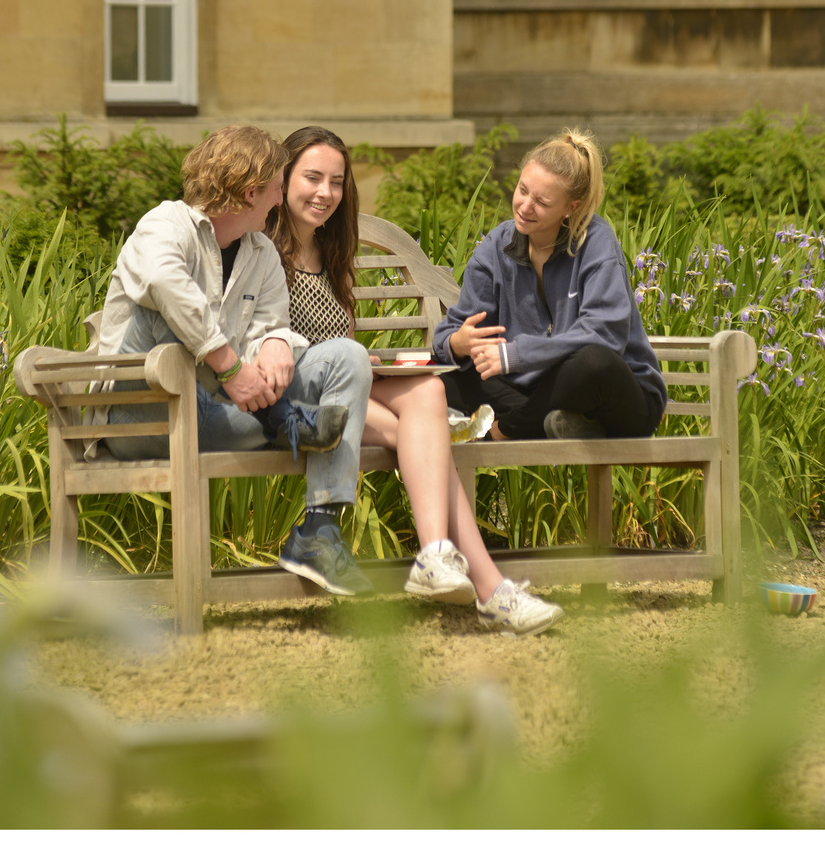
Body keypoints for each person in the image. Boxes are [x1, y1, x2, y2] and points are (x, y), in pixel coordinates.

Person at [265, 125, 565, 638]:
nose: (325, 193)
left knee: (427, 390)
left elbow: (341, 346)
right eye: (312, 178)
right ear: (284, 177)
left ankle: (436, 555)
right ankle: (489, 587)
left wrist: (382, 363)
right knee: (424, 436)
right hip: (289, 399)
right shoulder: (262, 251)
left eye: (337, 182)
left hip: (340, 386)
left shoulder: (330, 251)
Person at [96, 124, 374, 597]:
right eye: (275, 189)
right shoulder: (165, 225)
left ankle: (319, 533)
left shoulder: (261, 252)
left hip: (224, 416)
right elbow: (166, 285)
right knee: (160, 309)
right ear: (250, 192)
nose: (278, 200)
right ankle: (287, 419)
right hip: (143, 415)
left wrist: (277, 342)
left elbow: (268, 326)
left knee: (347, 356)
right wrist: (228, 365)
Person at [434, 129, 667, 444]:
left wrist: (515, 355)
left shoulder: (596, 240)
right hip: (536, 394)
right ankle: (562, 424)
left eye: (541, 201)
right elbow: (449, 334)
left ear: (571, 207)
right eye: (522, 190)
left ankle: (506, 431)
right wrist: (458, 343)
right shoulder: (495, 246)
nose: (525, 206)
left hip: (614, 398)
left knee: (591, 363)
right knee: (441, 378)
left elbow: (605, 335)